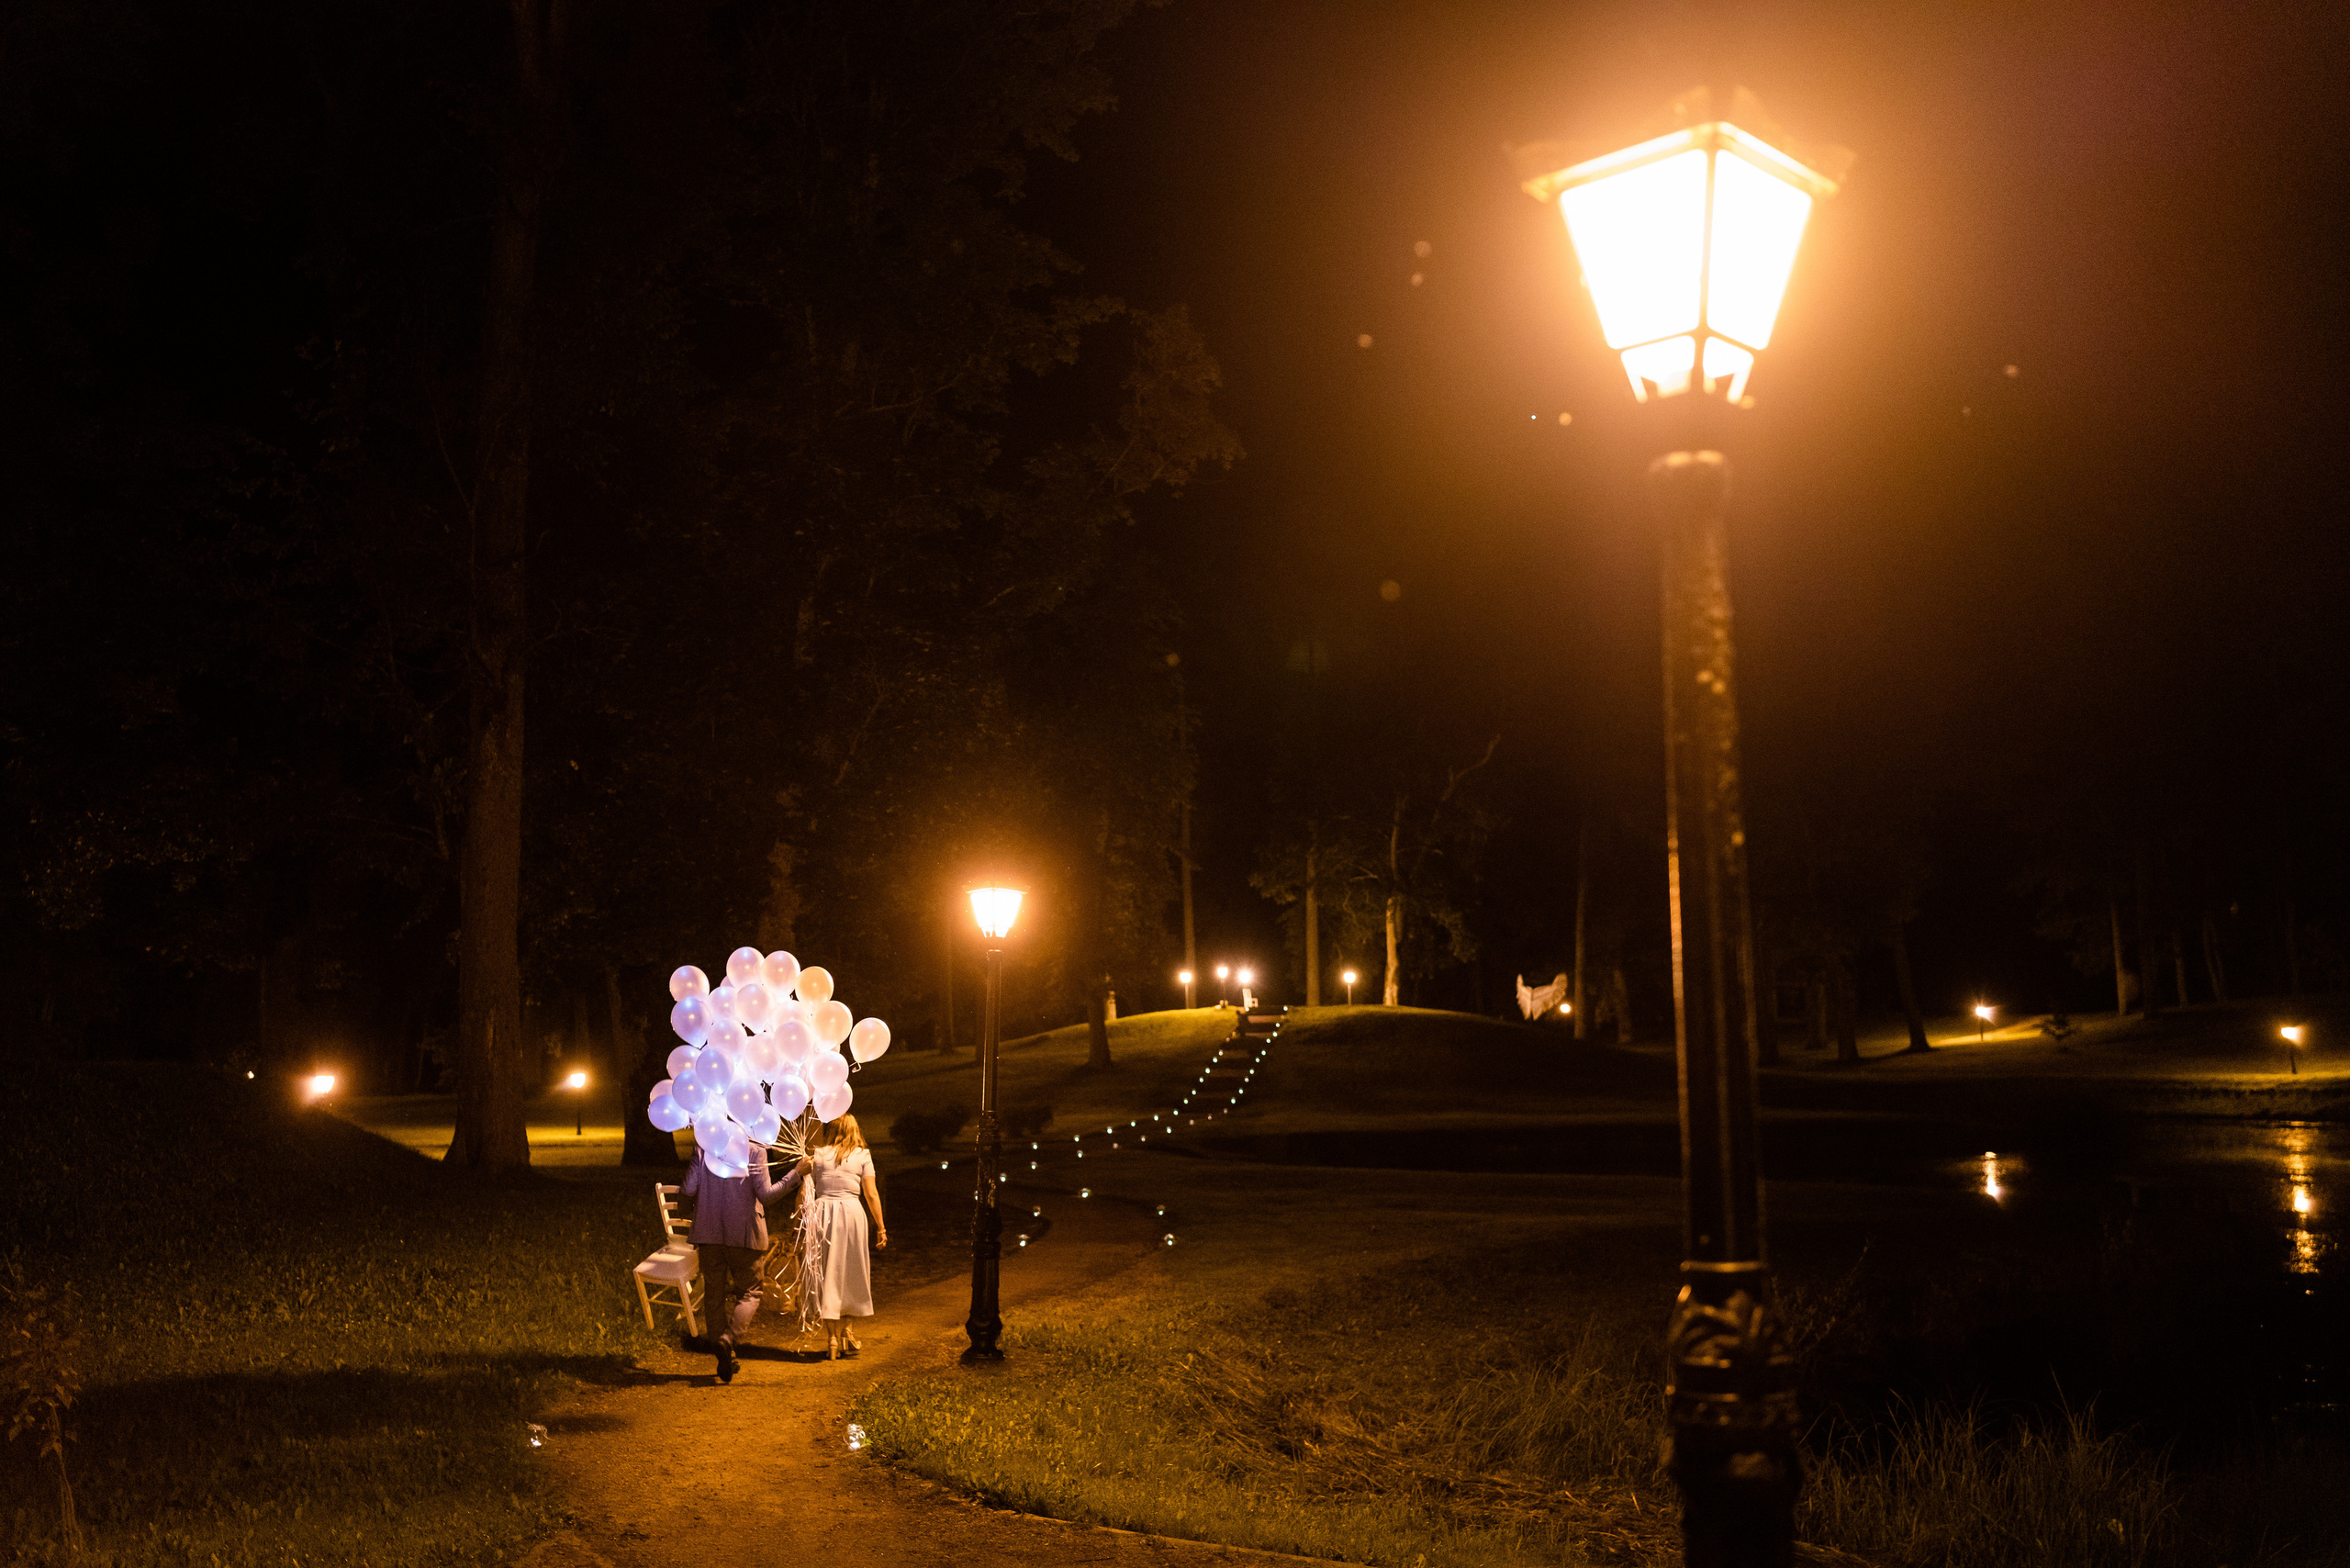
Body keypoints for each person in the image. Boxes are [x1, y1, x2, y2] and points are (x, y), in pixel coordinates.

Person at [682, 1141, 809, 1383]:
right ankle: (728, 1340)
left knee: (714, 1293)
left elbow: (689, 1187)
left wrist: (685, 1208)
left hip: (708, 1233)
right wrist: (797, 1173)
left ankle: (723, 1357)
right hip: (744, 1233)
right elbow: (767, 1195)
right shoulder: (754, 1150)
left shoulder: (704, 1145)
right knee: (751, 1291)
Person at [805, 1113, 888, 1359]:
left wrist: (801, 1223)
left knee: (827, 1270)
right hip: (852, 1213)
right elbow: (871, 1194)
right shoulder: (863, 1155)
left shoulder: (818, 1155)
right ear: (855, 1130)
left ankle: (830, 1337)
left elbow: (805, 1192)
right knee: (853, 1270)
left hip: (823, 1214)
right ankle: (847, 1332)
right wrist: (881, 1227)